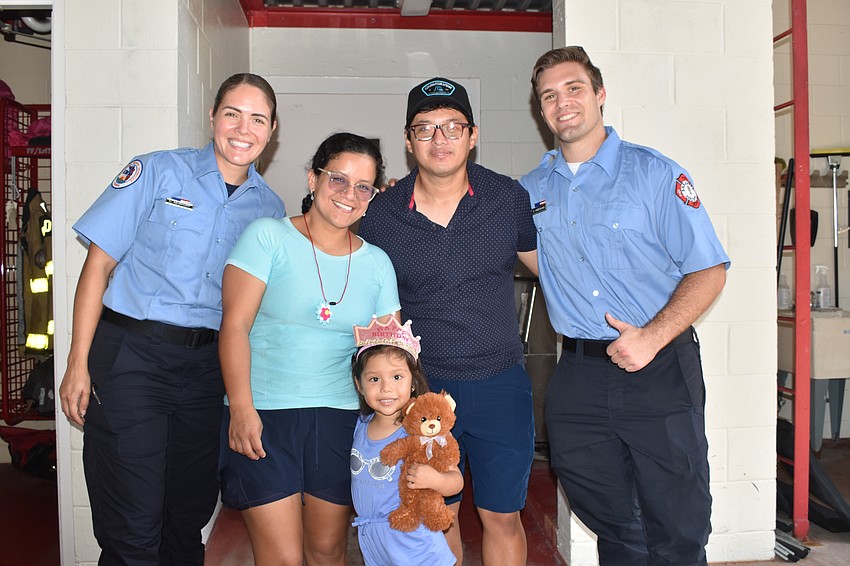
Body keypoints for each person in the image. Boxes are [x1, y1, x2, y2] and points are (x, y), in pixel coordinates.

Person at [57, 73, 285, 565]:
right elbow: (97, 266)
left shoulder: (269, 210)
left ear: (271, 131)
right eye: (232, 114)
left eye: (257, 119)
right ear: (213, 117)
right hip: (132, 361)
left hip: (206, 373)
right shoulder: (158, 171)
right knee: (133, 527)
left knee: (187, 517)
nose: (243, 129)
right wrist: (77, 362)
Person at [520, 46, 730, 565]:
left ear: (599, 94)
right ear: (540, 110)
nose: (563, 102)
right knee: (613, 523)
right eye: (549, 95)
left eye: (573, 88)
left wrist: (651, 336)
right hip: (579, 376)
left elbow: (709, 269)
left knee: (677, 522)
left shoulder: (654, 174)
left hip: (659, 366)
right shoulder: (529, 191)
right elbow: (521, 251)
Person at [358, 77, 538, 565]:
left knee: (503, 516)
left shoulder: (508, 199)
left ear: (472, 135)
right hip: (424, 389)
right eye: (425, 128)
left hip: (501, 385)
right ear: (408, 139)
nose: (440, 139)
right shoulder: (381, 214)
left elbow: (555, 272)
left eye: (453, 127)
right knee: (439, 515)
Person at [218, 132, 400, 566]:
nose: (349, 195)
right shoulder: (267, 237)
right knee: (281, 558)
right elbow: (234, 326)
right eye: (338, 179)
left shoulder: (377, 263)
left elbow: (389, 355)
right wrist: (241, 409)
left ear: (372, 197)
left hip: (339, 421)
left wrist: (399, 427)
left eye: (363, 187)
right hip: (264, 417)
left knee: (326, 551)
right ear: (313, 178)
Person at [349, 317, 462, 566]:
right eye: (374, 379)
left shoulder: (423, 433)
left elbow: (456, 480)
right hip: (373, 541)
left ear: (413, 382)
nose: (386, 388)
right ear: (359, 384)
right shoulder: (361, 425)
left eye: (397, 377)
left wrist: (436, 480)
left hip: (414, 543)